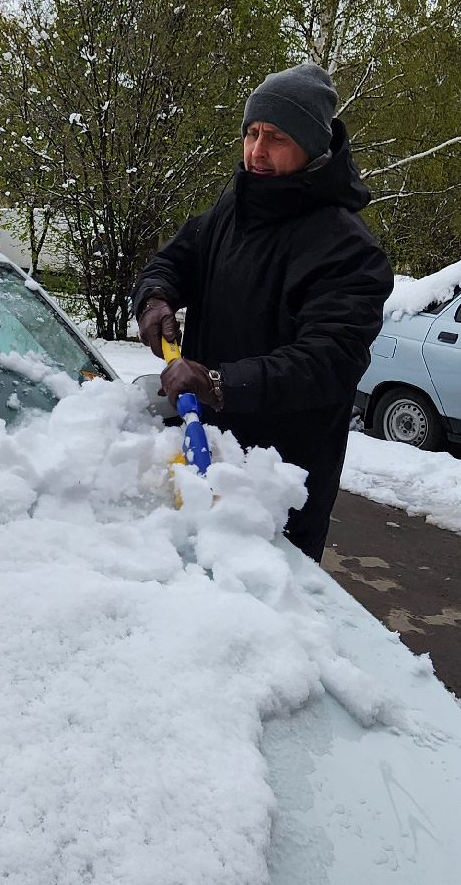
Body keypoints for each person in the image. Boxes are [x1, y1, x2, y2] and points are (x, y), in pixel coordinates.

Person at [131, 62, 393, 560]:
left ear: (313, 148)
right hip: (203, 448)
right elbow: (175, 259)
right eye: (251, 133)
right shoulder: (236, 207)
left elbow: (328, 361)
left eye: (274, 137)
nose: (256, 151)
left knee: (259, 618)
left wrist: (220, 382)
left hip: (279, 481)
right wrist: (155, 296)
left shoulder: (348, 249)